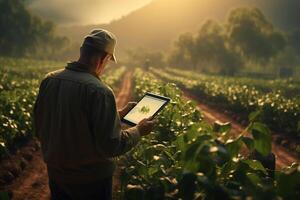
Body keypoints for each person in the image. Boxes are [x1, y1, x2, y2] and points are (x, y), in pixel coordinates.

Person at [33, 29, 156, 200]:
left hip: (57, 175)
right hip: (92, 182)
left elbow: (43, 126)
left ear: (82, 51)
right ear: (103, 58)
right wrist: (138, 130)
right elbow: (111, 145)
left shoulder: (49, 80)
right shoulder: (99, 91)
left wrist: (118, 114)